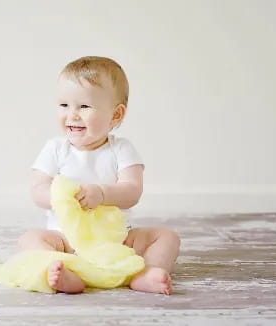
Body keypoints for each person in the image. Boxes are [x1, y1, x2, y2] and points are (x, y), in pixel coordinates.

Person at [17, 56, 180, 295]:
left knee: (167, 237)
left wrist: (101, 194)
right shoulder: (55, 148)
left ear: (115, 115)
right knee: (28, 240)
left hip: (116, 242)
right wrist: (62, 198)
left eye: (84, 107)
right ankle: (63, 271)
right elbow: (38, 189)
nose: (72, 115)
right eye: (64, 105)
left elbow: (132, 191)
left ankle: (146, 274)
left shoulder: (121, 149)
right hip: (65, 240)